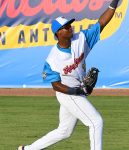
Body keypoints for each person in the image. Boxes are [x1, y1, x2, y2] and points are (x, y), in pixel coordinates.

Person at [18, 0, 120, 150]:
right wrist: (76, 91)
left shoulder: (81, 39)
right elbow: (56, 85)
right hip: (67, 92)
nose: (70, 27)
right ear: (58, 33)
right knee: (96, 122)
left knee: (64, 131)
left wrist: (114, 3)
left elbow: (102, 22)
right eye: (66, 27)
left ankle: (27, 149)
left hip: (77, 89)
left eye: (70, 24)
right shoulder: (52, 59)